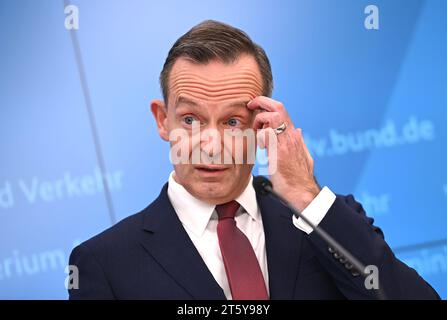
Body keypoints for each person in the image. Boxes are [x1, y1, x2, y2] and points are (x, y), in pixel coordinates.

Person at [68, 20, 439, 300]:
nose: (210, 145)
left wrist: (305, 197)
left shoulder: (325, 223)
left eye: (232, 122)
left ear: (262, 125)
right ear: (163, 120)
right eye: (191, 120)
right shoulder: (103, 263)